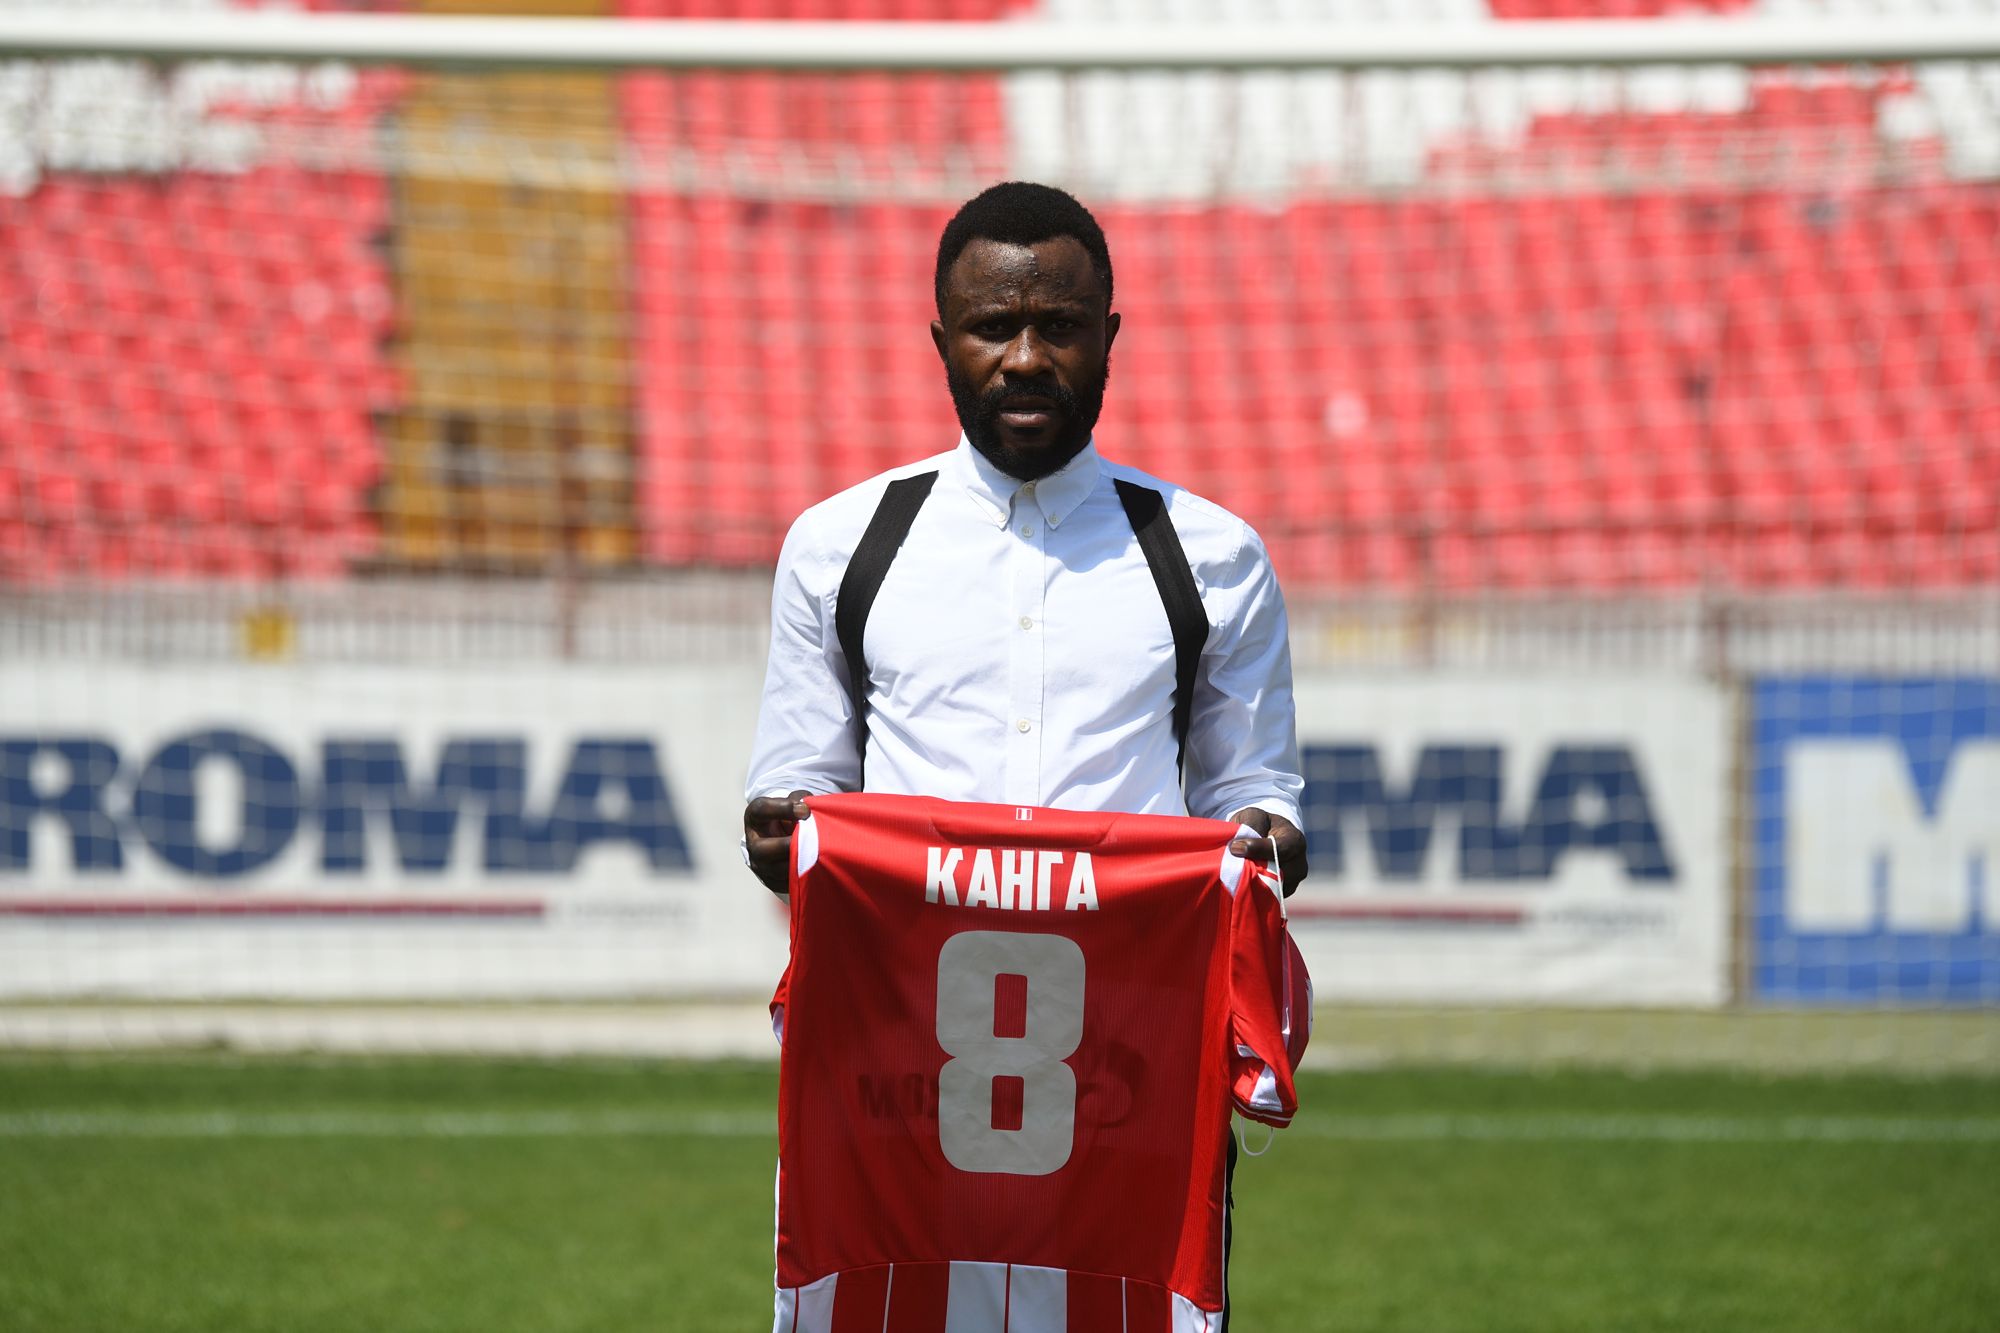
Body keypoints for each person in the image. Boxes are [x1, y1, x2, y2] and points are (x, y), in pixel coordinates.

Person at [740, 179, 1307, 1328]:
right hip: (893, 1085)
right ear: (940, 341)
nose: (1026, 358)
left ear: (1110, 336)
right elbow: (793, 795)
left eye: (1059, 326)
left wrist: (1261, 842)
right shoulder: (840, 544)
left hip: (1132, 1084)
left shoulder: (1212, 554)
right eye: (993, 326)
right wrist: (780, 830)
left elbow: (1255, 793)